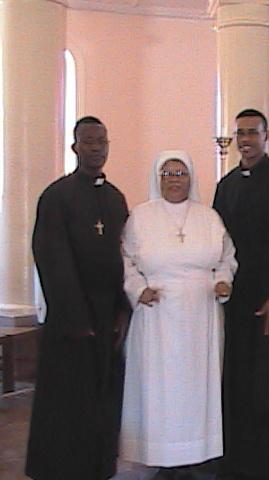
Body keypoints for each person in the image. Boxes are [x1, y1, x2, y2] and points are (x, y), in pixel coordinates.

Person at [119, 151, 236, 479]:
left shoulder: (208, 217)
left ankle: (196, 456)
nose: (174, 180)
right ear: (158, 178)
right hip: (157, 313)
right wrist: (137, 288)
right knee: (160, 388)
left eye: (180, 173)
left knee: (197, 388)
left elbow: (226, 257)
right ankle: (161, 457)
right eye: (168, 174)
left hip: (201, 312)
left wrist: (222, 281)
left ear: (191, 178)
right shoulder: (140, 216)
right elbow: (125, 259)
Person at [26, 116, 130, 480]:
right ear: (75, 147)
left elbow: (126, 258)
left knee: (101, 397)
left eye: (102, 141)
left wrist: (122, 309)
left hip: (107, 315)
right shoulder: (57, 196)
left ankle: (98, 466)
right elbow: (51, 257)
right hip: (71, 319)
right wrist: (76, 317)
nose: (97, 148)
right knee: (66, 400)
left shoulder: (115, 199)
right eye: (89, 141)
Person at [213, 109, 269, 480]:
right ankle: (239, 463)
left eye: (253, 132)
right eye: (241, 133)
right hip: (235, 301)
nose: (246, 140)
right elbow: (218, 243)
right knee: (238, 381)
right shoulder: (226, 185)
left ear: (266, 136)